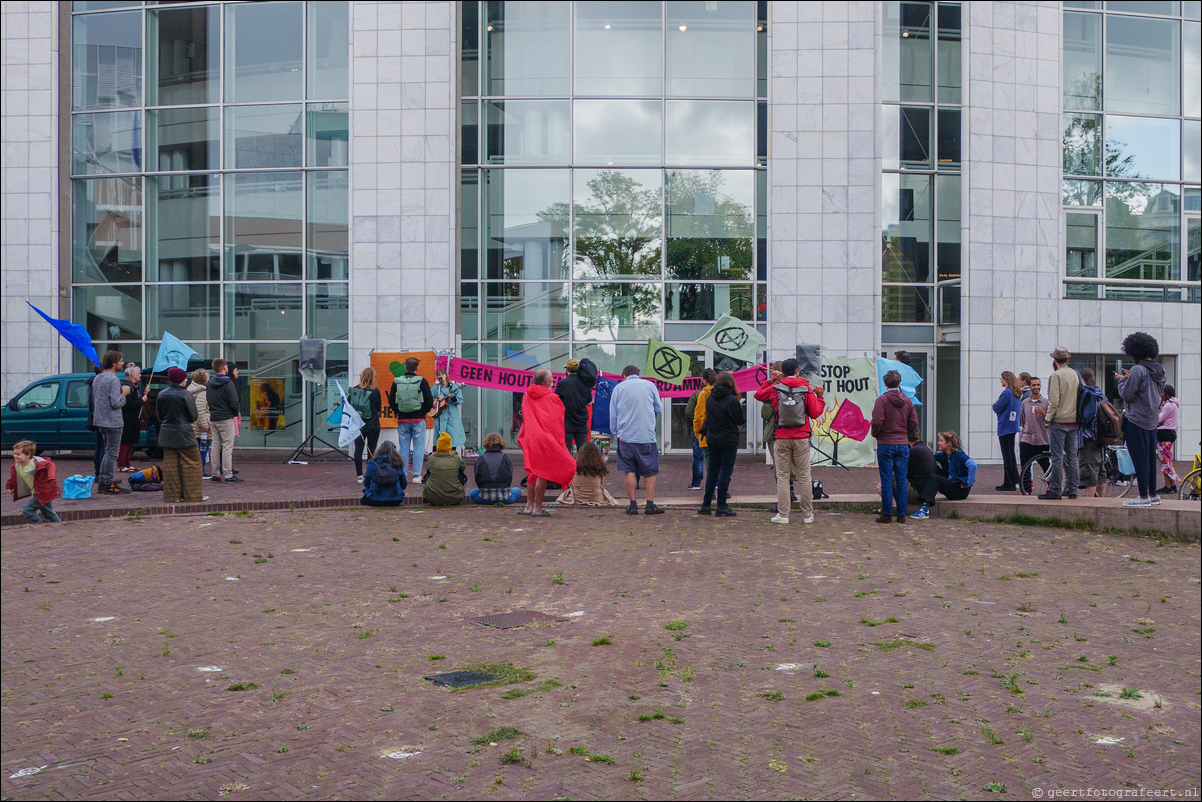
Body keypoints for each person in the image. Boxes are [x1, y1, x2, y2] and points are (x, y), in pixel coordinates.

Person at [754, 357, 825, 525]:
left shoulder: (776, 387)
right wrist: (820, 397)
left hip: (781, 436)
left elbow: (758, 395)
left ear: (782, 373)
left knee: (783, 476)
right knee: (805, 476)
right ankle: (808, 515)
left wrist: (770, 381)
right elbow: (814, 413)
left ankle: (783, 514)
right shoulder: (806, 388)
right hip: (801, 436)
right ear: (797, 371)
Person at [516, 368, 577, 516]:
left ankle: (528, 506)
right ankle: (538, 508)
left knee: (531, 472)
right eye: (551, 378)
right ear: (547, 381)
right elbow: (555, 421)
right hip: (545, 438)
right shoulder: (552, 398)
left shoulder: (526, 395)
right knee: (543, 472)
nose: (553, 381)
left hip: (530, 437)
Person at [1117, 332, 1167, 507]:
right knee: (1150, 459)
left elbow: (1127, 395)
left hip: (1136, 419)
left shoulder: (1138, 370)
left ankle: (1143, 496)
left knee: (1139, 458)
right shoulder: (1160, 369)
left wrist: (1122, 381)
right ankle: (1153, 494)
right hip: (1151, 420)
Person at [609, 365, 665, 515]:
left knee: (629, 470)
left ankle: (633, 504)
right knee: (650, 471)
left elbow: (613, 415)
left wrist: (616, 434)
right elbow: (659, 408)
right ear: (638, 374)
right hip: (646, 436)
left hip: (626, 436)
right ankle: (650, 504)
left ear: (624, 375)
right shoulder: (650, 386)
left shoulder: (619, 388)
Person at [871, 369, 920, 523]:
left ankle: (886, 514)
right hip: (902, 444)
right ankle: (901, 515)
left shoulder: (881, 401)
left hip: (885, 443)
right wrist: (904, 432)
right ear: (899, 383)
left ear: (885, 384)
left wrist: (876, 433)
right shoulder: (907, 400)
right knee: (901, 480)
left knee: (886, 480)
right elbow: (914, 423)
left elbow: (877, 421)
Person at [156, 366, 207, 503]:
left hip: (166, 433)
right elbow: (193, 416)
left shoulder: (161, 394)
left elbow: (160, 416)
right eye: (184, 377)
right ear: (180, 379)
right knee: (193, 463)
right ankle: (193, 496)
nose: (186, 380)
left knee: (171, 465)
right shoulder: (186, 395)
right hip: (184, 433)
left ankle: (172, 496)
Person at [697, 371, 744, 517]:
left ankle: (706, 505)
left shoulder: (710, 398)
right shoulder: (732, 400)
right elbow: (739, 420)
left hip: (713, 438)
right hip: (728, 439)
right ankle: (721, 504)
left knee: (712, 471)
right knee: (725, 472)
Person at [1038, 346, 1080, 500]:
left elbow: (1054, 400)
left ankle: (1056, 490)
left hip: (1059, 421)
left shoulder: (1055, 376)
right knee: (1072, 457)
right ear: (1068, 359)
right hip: (1074, 421)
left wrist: (1048, 418)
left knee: (1057, 457)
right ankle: (1072, 489)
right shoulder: (1075, 374)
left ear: (1054, 360)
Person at [388, 357, 434, 485]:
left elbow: (391, 400)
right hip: (418, 418)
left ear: (405, 367)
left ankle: (403, 474)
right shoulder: (422, 381)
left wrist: (398, 411)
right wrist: (423, 411)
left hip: (403, 419)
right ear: (417, 368)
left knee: (403, 448)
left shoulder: (397, 381)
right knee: (419, 447)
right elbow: (429, 400)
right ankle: (416, 476)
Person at [94, 350, 131, 495]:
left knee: (106, 451)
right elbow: (116, 403)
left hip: (100, 420)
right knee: (112, 453)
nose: (123, 363)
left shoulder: (98, 377)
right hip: (113, 421)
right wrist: (124, 394)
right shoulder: (113, 379)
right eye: (121, 361)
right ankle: (108, 483)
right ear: (114, 363)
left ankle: (103, 480)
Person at [7, 440, 61, 523]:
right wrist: (9, 486)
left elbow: (51, 466)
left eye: (18, 454)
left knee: (28, 511)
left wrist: (52, 478)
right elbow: (13, 477)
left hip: (43, 492)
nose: (15, 456)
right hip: (35, 492)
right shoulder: (16, 465)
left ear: (28, 455)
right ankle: (59, 525)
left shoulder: (37, 463)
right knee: (48, 512)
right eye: (14, 453)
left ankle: (40, 525)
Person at [206, 358, 242, 484]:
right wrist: (233, 414)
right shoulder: (228, 383)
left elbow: (208, 399)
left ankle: (215, 473)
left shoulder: (210, 383)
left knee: (215, 445)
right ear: (224, 367)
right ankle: (228, 474)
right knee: (227, 446)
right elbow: (234, 402)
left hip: (214, 417)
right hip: (225, 417)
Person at [1076, 369, 1108, 498]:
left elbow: (1085, 417)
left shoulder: (1086, 393)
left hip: (1088, 437)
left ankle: (1089, 504)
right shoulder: (1099, 392)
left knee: (1090, 473)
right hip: (1101, 438)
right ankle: (1101, 501)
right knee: (1101, 472)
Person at [557, 441, 620, 507]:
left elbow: (569, 483)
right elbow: (601, 485)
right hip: (596, 498)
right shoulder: (600, 466)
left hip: (576, 498)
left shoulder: (573, 465)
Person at [923, 431, 978, 505]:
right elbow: (930, 457)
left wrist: (968, 483)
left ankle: (925, 506)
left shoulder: (959, 455)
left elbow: (973, 465)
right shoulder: (944, 455)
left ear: (949, 443)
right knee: (934, 468)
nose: (938, 443)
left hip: (959, 491)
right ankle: (923, 495)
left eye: (941, 441)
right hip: (951, 483)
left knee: (934, 478)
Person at [555, 358, 596, 454]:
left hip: (567, 421)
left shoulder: (563, 383)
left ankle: (568, 468)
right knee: (582, 451)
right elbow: (589, 402)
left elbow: (555, 399)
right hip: (582, 421)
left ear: (567, 369)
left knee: (566, 450)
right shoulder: (585, 383)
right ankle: (583, 468)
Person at [349, 367, 383, 482]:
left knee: (358, 449)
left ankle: (359, 475)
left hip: (358, 425)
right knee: (371, 450)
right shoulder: (375, 391)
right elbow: (379, 408)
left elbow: (349, 407)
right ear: (373, 377)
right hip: (373, 425)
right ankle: (370, 474)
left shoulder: (354, 390)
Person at [469, 432, 522, 505]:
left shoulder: (480, 459)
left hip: (484, 497)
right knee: (517, 490)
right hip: (505, 498)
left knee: (472, 493)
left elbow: (477, 478)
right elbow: (509, 478)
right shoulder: (506, 458)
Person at [685, 369, 716, 491]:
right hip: (717, 432)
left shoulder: (699, 394)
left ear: (704, 380)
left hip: (702, 431)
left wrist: (696, 427)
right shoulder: (723, 393)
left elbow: (688, 411)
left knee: (699, 457)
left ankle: (696, 482)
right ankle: (717, 482)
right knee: (715, 458)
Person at [1018, 375, 1050, 494]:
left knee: (1046, 466)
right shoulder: (1025, 403)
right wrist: (1021, 438)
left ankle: (1050, 487)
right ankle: (1026, 490)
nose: (1036, 387)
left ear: (1040, 386)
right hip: (1027, 439)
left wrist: (1043, 413)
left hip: (1042, 440)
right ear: (1030, 387)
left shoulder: (1046, 403)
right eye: (1034, 385)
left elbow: (1051, 421)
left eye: (1038, 385)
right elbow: (1022, 421)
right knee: (1025, 466)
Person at [992, 371, 1023, 491]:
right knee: (1011, 454)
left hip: (1005, 426)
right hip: (1012, 426)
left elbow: (997, 407)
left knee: (1006, 455)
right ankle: (1013, 479)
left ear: (1006, 379)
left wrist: (995, 404)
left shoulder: (1006, 393)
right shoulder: (1016, 393)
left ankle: (1008, 482)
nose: (1001, 381)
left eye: (1002, 379)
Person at [422, 432, 466, 506]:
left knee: (429, 474)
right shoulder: (456, 458)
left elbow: (427, 468)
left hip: (433, 498)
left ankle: (431, 492)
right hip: (455, 498)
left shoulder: (431, 458)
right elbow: (463, 467)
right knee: (460, 473)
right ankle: (455, 490)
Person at [902, 432, 939, 518]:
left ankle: (893, 506)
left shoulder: (913, 451)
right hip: (926, 492)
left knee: (883, 485)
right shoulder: (925, 448)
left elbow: (898, 469)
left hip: (917, 494)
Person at [117, 364, 147, 472]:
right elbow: (128, 404)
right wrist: (141, 401)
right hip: (127, 418)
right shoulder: (127, 387)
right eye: (138, 373)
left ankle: (127, 462)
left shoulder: (134, 386)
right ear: (133, 375)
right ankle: (121, 463)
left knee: (131, 442)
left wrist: (144, 394)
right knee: (125, 442)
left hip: (134, 418)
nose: (140, 375)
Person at [361, 440, 407, 507]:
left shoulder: (372, 464)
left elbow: (366, 483)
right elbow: (404, 484)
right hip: (396, 499)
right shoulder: (398, 463)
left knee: (363, 500)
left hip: (374, 499)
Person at [431, 369, 466, 456]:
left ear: (446, 375)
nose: (441, 376)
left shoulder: (454, 387)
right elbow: (427, 398)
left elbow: (460, 400)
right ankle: (437, 456)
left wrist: (453, 398)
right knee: (438, 436)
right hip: (440, 415)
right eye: (438, 375)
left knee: (452, 436)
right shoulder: (435, 388)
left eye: (442, 374)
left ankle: (452, 455)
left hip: (451, 415)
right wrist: (433, 403)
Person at [1157, 384, 1180, 495]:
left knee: (1164, 461)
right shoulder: (1174, 404)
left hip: (1164, 435)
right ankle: (1172, 485)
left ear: (1166, 393)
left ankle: (1168, 485)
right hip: (1169, 434)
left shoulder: (1169, 405)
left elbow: (1159, 418)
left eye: (1161, 392)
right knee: (1168, 460)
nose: (1160, 395)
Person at [188, 369, 212, 478]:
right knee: (202, 450)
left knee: (196, 451)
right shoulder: (202, 392)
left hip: (192, 426)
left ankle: (197, 470)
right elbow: (201, 411)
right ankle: (200, 471)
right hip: (200, 428)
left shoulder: (190, 389)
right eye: (207, 377)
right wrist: (205, 426)